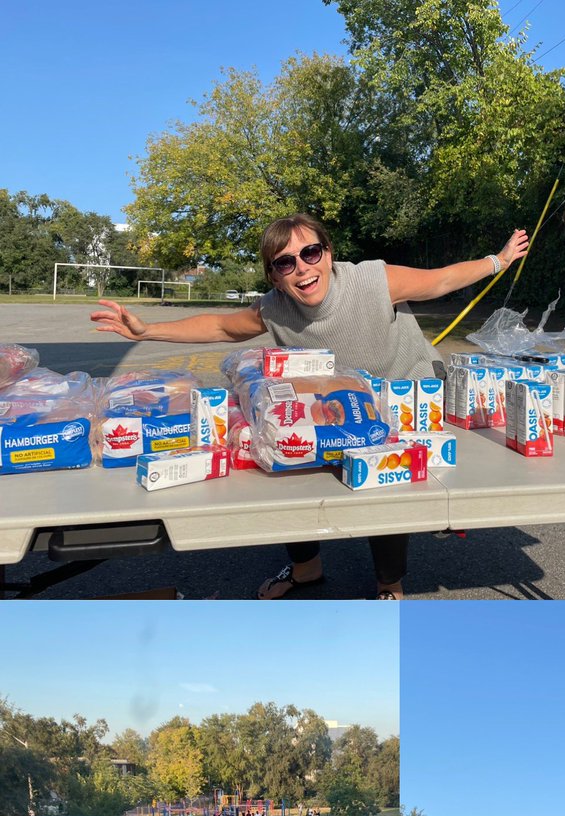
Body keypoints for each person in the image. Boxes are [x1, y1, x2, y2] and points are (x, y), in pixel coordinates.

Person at [92, 214, 528, 600]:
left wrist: (499, 260)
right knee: (287, 460)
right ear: (275, 276)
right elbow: (222, 327)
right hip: (329, 403)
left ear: (328, 254)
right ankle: (306, 570)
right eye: (286, 262)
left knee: (386, 482)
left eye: (310, 252)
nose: (302, 267)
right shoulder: (275, 308)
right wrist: (146, 331)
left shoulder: (371, 280)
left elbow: (440, 280)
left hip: (402, 396)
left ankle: (389, 585)